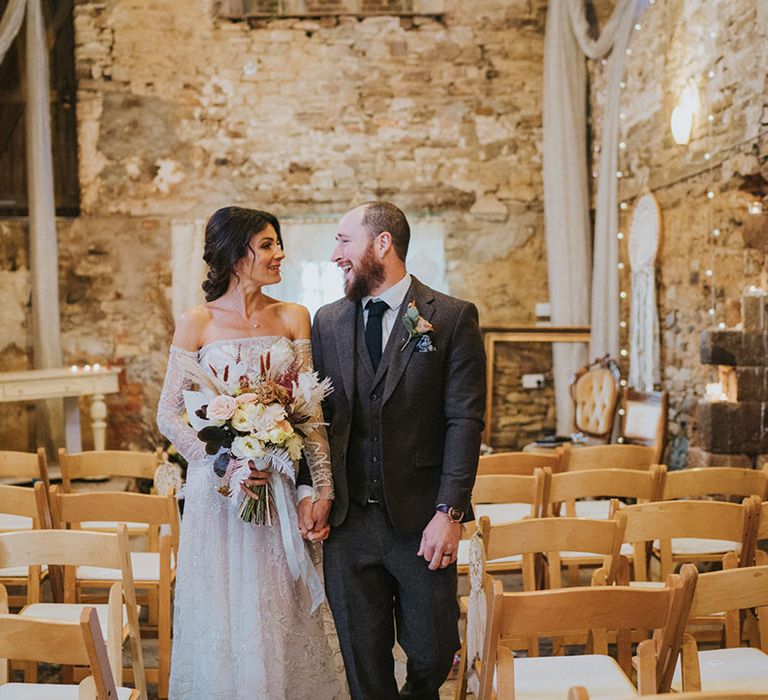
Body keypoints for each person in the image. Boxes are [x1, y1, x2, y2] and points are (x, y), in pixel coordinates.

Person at [157, 206, 346, 699]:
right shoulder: (195, 323)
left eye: (277, 243)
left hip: (281, 489)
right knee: (226, 609)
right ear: (236, 254)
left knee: (281, 607)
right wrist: (227, 463)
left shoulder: (293, 317)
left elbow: (311, 414)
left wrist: (319, 489)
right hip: (219, 495)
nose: (279, 253)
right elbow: (169, 415)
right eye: (267, 245)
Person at [299, 201, 486, 699]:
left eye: (344, 241)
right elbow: (314, 420)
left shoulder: (450, 318)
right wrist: (309, 488)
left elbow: (464, 421)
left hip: (422, 522)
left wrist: (450, 511)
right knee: (364, 665)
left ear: (382, 244)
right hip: (349, 525)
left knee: (433, 652)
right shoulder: (328, 322)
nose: (336, 253)